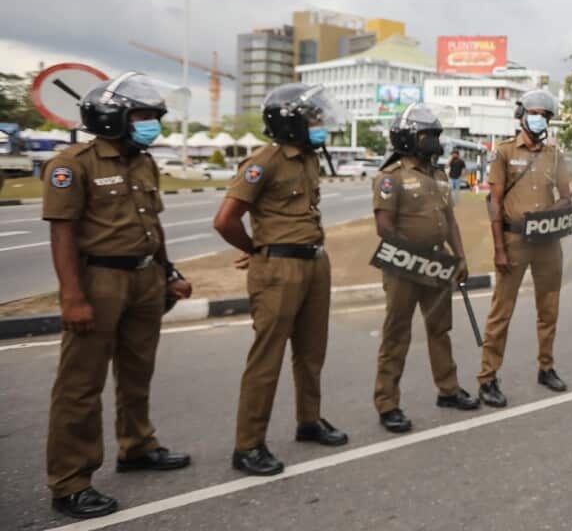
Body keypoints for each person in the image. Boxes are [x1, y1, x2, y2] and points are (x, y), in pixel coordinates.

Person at [41, 72, 193, 519]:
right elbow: (63, 234)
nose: (151, 124)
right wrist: (72, 296)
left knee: (136, 371)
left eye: (152, 116)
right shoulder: (74, 164)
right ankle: (70, 481)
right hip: (99, 282)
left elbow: (152, 224)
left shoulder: (143, 161)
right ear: (112, 118)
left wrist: (169, 272)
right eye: (143, 115)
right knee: (80, 385)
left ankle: (138, 446)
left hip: (145, 278)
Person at [213, 83, 349, 477]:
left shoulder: (308, 158)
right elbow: (225, 220)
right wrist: (258, 249)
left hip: (313, 263)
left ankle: (310, 420)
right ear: (291, 123)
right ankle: (249, 445)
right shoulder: (265, 160)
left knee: (312, 352)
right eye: (314, 117)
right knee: (267, 358)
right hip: (279, 270)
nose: (320, 124)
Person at [372, 104, 480, 434]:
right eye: (426, 135)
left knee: (439, 328)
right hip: (404, 266)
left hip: (437, 263)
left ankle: (447, 390)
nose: (433, 141)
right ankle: (387, 403)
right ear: (407, 139)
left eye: (435, 135)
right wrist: (413, 256)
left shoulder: (440, 176)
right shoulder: (390, 178)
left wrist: (459, 257)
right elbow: (384, 227)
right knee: (397, 334)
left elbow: (449, 221)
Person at [476, 89, 572, 407]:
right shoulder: (503, 152)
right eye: (534, 113)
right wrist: (499, 248)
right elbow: (495, 201)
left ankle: (546, 367)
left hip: (547, 241)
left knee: (549, 309)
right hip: (514, 240)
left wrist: (556, 209)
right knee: (501, 312)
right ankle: (488, 378)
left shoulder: (555, 155)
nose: (539, 119)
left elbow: (566, 196)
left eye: (545, 115)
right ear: (521, 116)